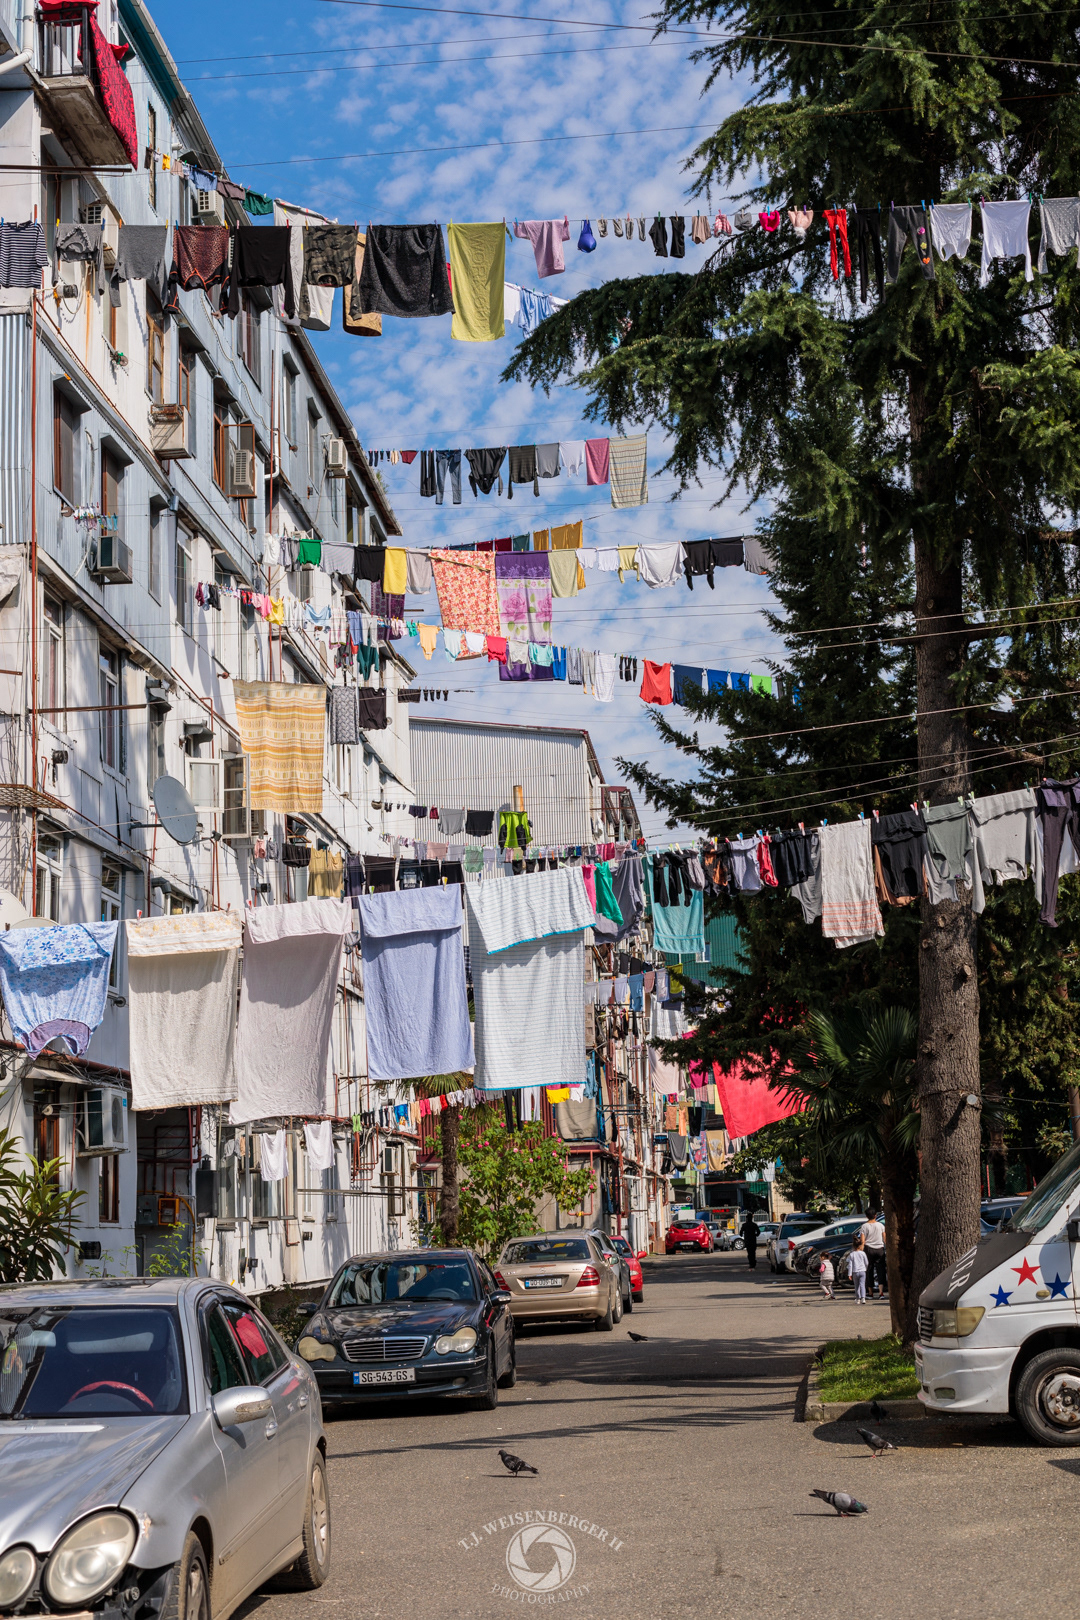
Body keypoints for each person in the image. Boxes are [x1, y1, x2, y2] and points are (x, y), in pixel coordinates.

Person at [860, 1211, 887, 1297]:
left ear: (866, 1216)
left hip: (869, 1249)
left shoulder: (864, 1226)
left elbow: (862, 1241)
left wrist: (860, 1250)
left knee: (869, 1270)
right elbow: (885, 1238)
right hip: (880, 1249)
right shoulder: (881, 1225)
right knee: (881, 1270)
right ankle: (881, 1292)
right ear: (875, 1216)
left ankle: (870, 1292)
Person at [846, 1236, 868, 1304]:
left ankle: (858, 1299)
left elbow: (850, 1264)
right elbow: (866, 1262)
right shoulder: (863, 1253)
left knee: (857, 1286)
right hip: (862, 1271)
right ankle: (863, 1298)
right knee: (862, 1285)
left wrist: (849, 1274)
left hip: (855, 1271)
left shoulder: (852, 1254)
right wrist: (865, 1268)